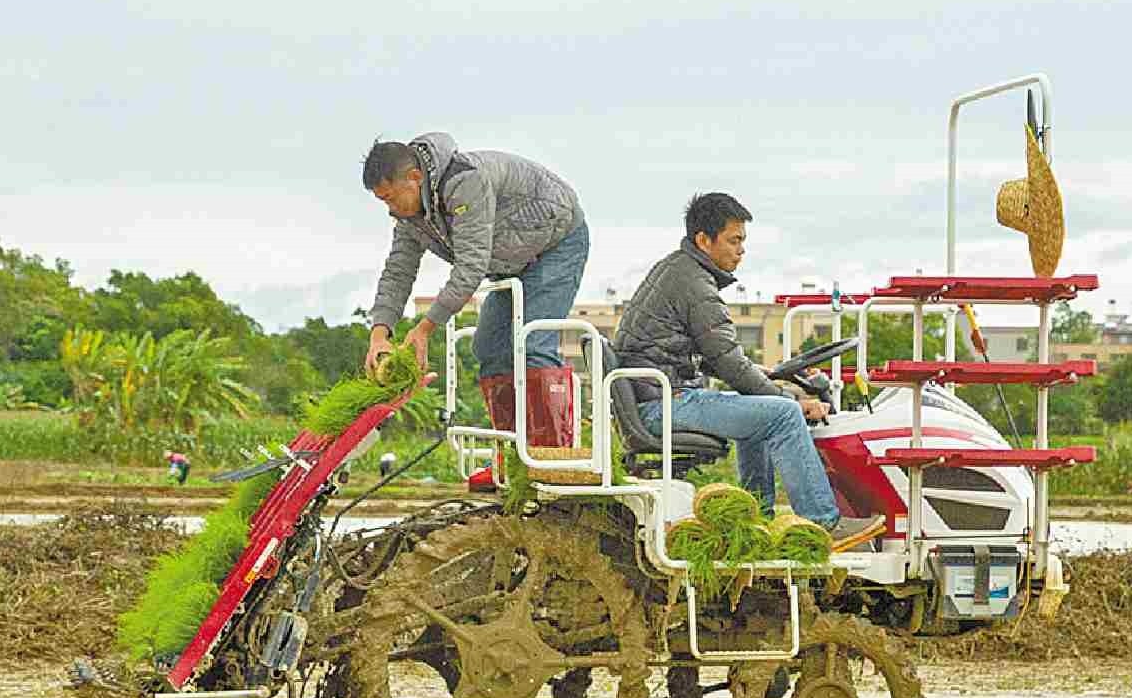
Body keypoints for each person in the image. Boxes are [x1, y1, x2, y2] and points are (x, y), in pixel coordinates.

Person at [612, 192, 884, 548]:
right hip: (664, 402)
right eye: (734, 240)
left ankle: (758, 522)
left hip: (657, 395)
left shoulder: (679, 271)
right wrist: (792, 400)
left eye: (743, 241)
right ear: (703, 240)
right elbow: (726, 360)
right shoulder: (694, 284)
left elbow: (713, 356)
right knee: (783, 415)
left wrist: (763, 375)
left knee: (761, 412)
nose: (741, 251)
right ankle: (822, 524)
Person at [360, 134, 590, 450]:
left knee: (532, 343)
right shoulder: (410, 217)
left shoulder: (465, 181)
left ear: (414, 178)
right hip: (512, 260)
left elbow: (470, 268)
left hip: (556, 243)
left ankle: (550, 460)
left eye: (390, 197)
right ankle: (511, 455)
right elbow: (398, 271)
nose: (390, 208)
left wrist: (425, 328)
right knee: (489, 347)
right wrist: (379, 334)